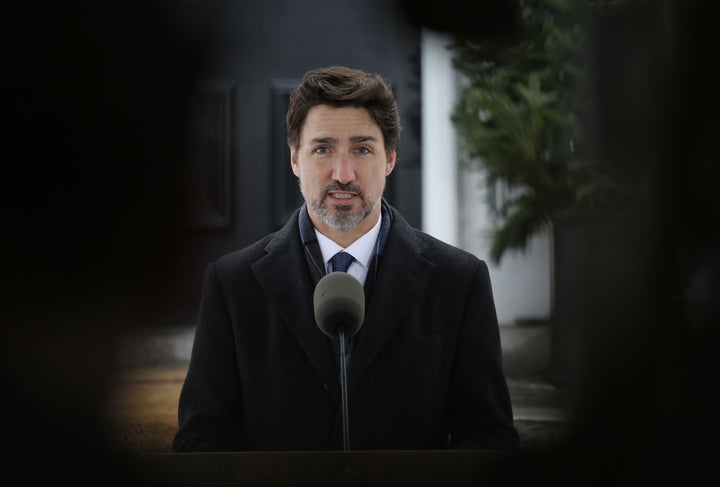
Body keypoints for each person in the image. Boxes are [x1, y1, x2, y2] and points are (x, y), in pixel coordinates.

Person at [172, 65, 519, 452]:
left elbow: (490, 438)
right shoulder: (232, 283)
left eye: (362, 149)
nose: (343, 173)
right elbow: (199, 440)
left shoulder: (460, 280)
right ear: (294, 160)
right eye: (322, 149)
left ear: (389, 159)